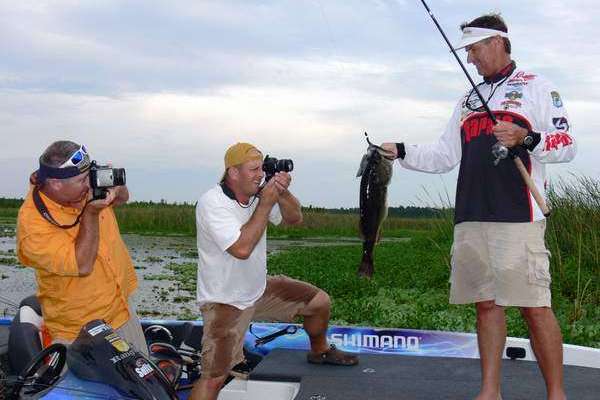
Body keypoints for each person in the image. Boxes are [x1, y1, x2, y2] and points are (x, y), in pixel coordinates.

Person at [380, 14, 576, 400]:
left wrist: (527, 137)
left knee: (534, 306)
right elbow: (443, 155)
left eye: (473, 49)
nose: (470, 58)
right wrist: (401, 151)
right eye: (466, 52)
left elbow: (566, 144)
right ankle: (490, 392)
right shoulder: (468, 99)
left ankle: (557, 394)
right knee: (485, 305)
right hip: (471, 215)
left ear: (497, 42)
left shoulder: (537, 86)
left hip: (519, 215)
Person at [190, 142, 358, 400]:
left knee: (319, 302)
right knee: (214, 378)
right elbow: (242, 249)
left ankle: (320, 351)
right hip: (225, 300)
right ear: (233, 172)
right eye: (253, 169)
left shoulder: (258, 195)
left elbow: (294, 218)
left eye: (261, 169)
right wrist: (265, 203)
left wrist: (282, 191)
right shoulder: (212, 203)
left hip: (257, 288)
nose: (260, 175)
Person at [17, 140, 147, 355]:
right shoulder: (32, 226)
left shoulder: (83, 187)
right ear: (56, 183)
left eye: (91, 175)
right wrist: (91, 212)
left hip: (121, 309)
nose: (90, 184)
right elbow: (82, 264)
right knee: (88, 379)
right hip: (78, 330)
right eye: (82, 180)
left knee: (141, 372)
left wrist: (116, 186)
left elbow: (123, 198)